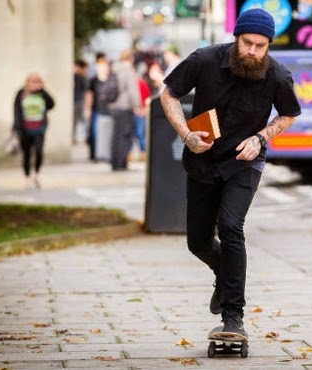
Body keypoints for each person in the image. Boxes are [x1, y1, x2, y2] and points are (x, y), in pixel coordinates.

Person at [160, 8, 301, 337]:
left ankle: (233, 317)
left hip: (244, 161)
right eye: (247, 43)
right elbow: (168, 93)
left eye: (261, 46)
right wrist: (185, 134)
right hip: (203, 160)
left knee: (231, 227)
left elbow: (289, 114)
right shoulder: (204, 60)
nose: (253, 51)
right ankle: (224, 273)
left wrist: (260, 137)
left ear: (269, 46)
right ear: (236, 38)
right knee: (197, 242)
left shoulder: (277, 76)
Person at [13, 73, 55, 188]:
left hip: (39, 128)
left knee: (39, 152)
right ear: (27, 82)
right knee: (26, 154)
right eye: (32, 81)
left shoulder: (42, 94)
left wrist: (43, 91)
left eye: (37, 81)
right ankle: (27, 177)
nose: (34, 83)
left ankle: (36, 175)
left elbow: (52, 104)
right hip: (25, 129)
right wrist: (17, 128)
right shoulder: (21, 93)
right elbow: (16, 110)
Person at [109, 49, 141, 171]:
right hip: (125, 106)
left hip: (114, 106)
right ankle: (121, 163)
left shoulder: (115, 69)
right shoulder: (129, 71)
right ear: (131, 58)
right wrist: (137, 106)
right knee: (125, 136)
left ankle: (114, 162)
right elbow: (133, 90)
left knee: (116, 136)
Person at [84, 58, 118, 162]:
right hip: (96, 110)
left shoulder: (112, 79)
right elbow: (89, 95)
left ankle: (107, 155)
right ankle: (94, 155)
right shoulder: (93, 80)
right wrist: (87, 109)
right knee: (94, 133)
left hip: (109, 110)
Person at [130, 76, 150, 162]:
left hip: (140, 113)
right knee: (133, 134)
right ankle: (131, 154)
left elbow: (147, 98)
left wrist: (143, 110)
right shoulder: (132, 84)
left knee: (140, 134)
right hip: (132, 112)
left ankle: (143, 153)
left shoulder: (141, 84)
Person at [73, 59, 88, 143]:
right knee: (75, 121)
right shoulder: (73, 76)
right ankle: (75, 137)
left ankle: (83, 137)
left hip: (80, 101)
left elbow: (86, 91)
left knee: (82, 120)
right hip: (75, 101)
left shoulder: (82, 77)